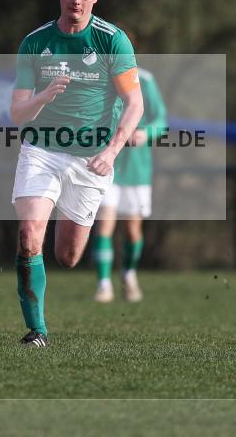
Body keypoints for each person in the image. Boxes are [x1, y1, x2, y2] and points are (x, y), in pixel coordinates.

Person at [10, 0, 144, 347]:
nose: (77, 1)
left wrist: (113, 151)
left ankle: (55, 259)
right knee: (29, 232)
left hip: (91, 158)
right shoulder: (36, 43)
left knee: (68, 256)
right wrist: (44, 96)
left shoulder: (111, 40)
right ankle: (37, 331)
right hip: (41, 150)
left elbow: (134, 104)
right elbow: (18, 113)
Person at [92, 62, 167, 303]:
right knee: (105, 225)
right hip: (105, 164)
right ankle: (104, 284)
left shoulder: (144, 80)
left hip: (136, 169)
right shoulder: (98, 79)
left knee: (133, 231)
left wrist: (146, 133)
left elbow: (161, 120)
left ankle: (129, 273)